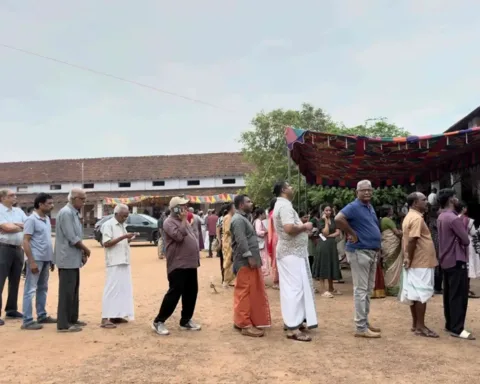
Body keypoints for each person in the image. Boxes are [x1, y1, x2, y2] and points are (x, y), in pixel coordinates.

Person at [335, 180, 382, 338]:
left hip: (370, 251)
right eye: (364, 190)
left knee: (368, 290)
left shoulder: (369, 207)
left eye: (369, 190)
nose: (367, 192)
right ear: (357, 192)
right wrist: (352, 233)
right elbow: (338, 218)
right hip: (359, 251)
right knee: (361, 291)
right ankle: (361, 327)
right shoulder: (354, 206)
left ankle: (365, 322)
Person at [273, 181, 317, 342]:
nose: (293, 187)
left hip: (292, 252)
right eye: (290, 185)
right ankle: (292, 327)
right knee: (294, 289)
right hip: (290, 253)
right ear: (284, 190)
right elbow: (289, 229)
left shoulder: (283, 205)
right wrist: (305, 226)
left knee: (295, 288)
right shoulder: (284, 207)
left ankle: (294, 322)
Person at [152, 196, 201, 336]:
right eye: (182, 206)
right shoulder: (169, 222)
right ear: (175, 208)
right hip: (178, 264)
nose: (185, 208)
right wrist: (185, 220)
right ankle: (159, 321)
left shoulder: (182, 221)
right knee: (174, 293)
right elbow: (179, 237)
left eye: (185, 205)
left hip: (190, 263)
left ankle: (185, 320)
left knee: (191, 292)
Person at [231, 195, 271, 337]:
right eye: (248, 202)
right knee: (244, 292)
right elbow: (241, 240)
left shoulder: (244, 218)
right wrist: (249, 256)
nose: (251, 203)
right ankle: (245, 325)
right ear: (241, 205)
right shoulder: (238, 220)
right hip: (244, 261)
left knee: (248, 291)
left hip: (249, 261)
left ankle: (241, 320)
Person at [399, 192, 439, 338]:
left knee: (414, 294)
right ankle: (421, 326)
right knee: (422, 294)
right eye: (423, 200)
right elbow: (413, 240)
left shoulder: (410, 216)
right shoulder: (416, 218)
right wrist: (408, 258)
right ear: (415, 203)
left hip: (416, 261)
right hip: (420, 261)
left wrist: (408, 258)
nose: (426, 202)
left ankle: (416, 324)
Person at [437, 188, 474, 340]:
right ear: (451, 200)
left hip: (445, 259)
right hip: (457, 259)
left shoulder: (441, 216)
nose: (457, 199)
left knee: (449, 293)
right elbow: (465, 240)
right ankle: (458, 328)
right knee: (459, 295)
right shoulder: (454, 219)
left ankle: (450, 324)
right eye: (455, 197)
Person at [54, 188, 90, 333]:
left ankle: (72, 319)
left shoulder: (74, 213)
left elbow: (77, 236)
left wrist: (81, 252)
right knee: (66, 292)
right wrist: (86, 249)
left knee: (73, 290)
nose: (84, 202)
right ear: (73, 198)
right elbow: (72, 237)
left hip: (73, 258)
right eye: (82, 199)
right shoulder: (66, 213)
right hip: (66, 258)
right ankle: (63, 323)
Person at [21, 193, 56, 330]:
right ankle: (27, 320)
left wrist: (51, 258)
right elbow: (26, 241)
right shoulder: (31, 220)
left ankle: (41, 315)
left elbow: (47, 240)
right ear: (40, 204)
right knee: (30, 289)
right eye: (49, 203)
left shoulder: (46, 219)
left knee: (43, 288)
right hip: (36, 260)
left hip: (46, 259)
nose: (52, 206)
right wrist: (31, 261)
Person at [100, 204, 136, 329]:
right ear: (116, 214)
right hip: (114, 262)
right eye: (123, 216)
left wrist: (128, 239)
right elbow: (107, 243)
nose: (125, 218)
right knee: (111, 290)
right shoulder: (108, 225)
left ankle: (116, 315)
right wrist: (124, 237)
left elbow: (120, 242)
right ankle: (105, 318)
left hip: (124, 260)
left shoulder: (122, 225)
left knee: (122, 289)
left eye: (127, 216)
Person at [0, 189, 27, 326]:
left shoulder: (19, 211)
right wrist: (19, 226)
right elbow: (6, 228)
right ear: (2, 198)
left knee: (15, 280)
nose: (14, 197)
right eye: (11, 195)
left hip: (18, 248)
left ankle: (11, 309)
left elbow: (28, 225)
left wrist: (15, 226)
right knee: (0, 280)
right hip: (3, 247)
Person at [312, 204, 342, 298]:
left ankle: (331, 287)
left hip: (332, 245)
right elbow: (325, 232)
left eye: (329, 210)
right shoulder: (320, 221)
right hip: (323, 245)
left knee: (331, 264)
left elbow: (338, 232)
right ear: (323, 211)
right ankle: (323, 289)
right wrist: (325, 221)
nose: (328, 212)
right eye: (326, 210)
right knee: (323, 265)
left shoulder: (334, 220)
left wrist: (329, 236)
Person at [455, 201, 480, 298]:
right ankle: (466, 289)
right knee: (468, 268)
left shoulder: (454, 219)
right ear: (464, 208)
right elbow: (474, 233)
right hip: (468, 244)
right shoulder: (468, 220)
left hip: (457, 245)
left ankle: (462, 289)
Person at [380, 206, 403, 296]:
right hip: (392, 245)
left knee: (388, 266)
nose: (392, 211)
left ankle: (388, 287)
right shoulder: (388, 220)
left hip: (386, 245)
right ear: (388, 211)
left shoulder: (381, 220)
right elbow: (396, 233)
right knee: (393, 266)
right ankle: (393, 288)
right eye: (391, 209)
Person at [253, 207, 272, 284]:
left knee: (262, 259)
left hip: (261, 243)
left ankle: (261, 279)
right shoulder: (258, 221)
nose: (265, 215)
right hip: (260, 243)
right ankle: (261, 279)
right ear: (261, 214)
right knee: (263, 260)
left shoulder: (258, 221)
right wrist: (265, 232)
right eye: (264, 213)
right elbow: (258, 232)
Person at [222, 203, 236, 287]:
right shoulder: (228, 217)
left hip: (231, 241)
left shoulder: (231, 217)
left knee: (231, 260)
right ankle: (226, 280)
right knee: (228, 260)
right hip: (228, 241)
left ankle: (231, 279)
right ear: (231, 209)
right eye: (234, 208)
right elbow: (227, 230)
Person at [267, 198, 280, 290]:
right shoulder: (272, 214)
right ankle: (276, 281)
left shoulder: (274, 213)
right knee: (276, 259)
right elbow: (271, 229)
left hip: (279, 236)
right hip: (276, 237)